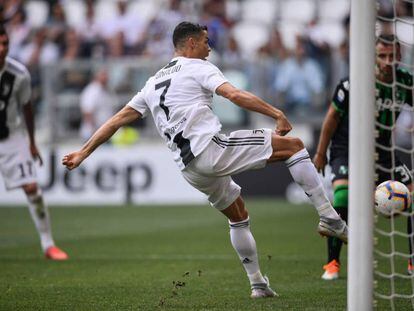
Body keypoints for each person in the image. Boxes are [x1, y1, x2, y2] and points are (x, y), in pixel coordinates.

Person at [62, 22, 347, 298]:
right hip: (211, 149)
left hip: (190, 169)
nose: (209, 48)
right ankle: (329, 217)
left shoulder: (152, 82)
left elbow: (116, 120)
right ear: (191, 43)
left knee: (238, 215)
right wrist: (276, 114)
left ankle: (257, 283)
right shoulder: (197, 66)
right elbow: (233, 94)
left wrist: (83, 152)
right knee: (295, 146)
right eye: (206, 42)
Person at [313, 34, 413, 280]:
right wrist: (320, 153)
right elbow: (332, 118)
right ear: (374, 56)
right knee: (343, 195)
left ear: (399, 56)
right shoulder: (353, 83)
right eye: (382, 56)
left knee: (411, 195)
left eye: (392, 56)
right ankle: (332, 264)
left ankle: (412, 263)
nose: (388, 61)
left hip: (382, 149)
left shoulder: (406, 82)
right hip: (346, 147)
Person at [0, 25, 68, 260]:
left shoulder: (19, 74)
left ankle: (48, 244)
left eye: (5, 44)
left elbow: (27, 107)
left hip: (11, 137)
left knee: (32, 189)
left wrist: (31, 142)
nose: (2, 49)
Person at [79, 68, 116, 141]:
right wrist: (94, 131)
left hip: (105, 133)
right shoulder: (92, 90)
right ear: (97, 76)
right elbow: (87, 112)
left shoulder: (108, 90)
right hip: (93, 134)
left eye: (106, 75)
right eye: (103, 75)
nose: (106, 77)